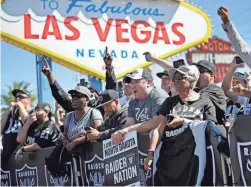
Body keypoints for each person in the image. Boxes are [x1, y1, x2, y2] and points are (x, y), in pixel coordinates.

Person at [144, 65, 217, 186]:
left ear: (191, 80)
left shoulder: (205, 102)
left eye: (180, 77)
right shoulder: (169, 102)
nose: (175, 81)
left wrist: (184, 121)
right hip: (169, 159)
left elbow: (211, 127)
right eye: (174, 78)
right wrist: (150, 154)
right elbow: (158, 129)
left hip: (194, 159)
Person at [45, 86, 103, 177]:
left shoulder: (94, 113)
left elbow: (95, 134)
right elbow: (65, 135)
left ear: (87, 99)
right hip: (73, 160)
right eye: (72, 96)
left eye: (78, 96)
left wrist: (75, 142)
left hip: (91, 158)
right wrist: (66, 143)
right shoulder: (69, 116)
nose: (74, 98)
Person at [111, 68, 168, 144]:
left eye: (137, 82)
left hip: (165, 143)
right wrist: (119, 133)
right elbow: (129, 123)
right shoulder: (132, 101)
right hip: (146, 145)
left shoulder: (158, 96)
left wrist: (128, 129)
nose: (132, 86)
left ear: (149, 82)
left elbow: (158, 122)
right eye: (131, 82)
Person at [1, 88, 31, 169]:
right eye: (16, 97)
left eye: (20, 97)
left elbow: (27, 122)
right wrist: (8, 111)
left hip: (20, 153)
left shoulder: (32, 112)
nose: (17, 99)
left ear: (28, 99)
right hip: (6, 153)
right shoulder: (10, 115)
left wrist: (21, 107)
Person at [195, 60, 226, 125]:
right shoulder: (195, 91)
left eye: (200, 71)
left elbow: (197, 100)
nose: (196, 74)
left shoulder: (215, 90)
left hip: (211, 131)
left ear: (211, 76)